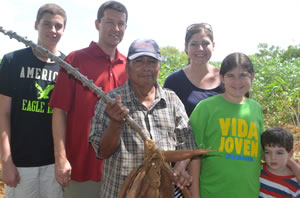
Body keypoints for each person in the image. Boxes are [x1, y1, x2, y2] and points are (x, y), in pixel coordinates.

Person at [88, 39, 198, 198]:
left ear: (159, 67)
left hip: (163, 191)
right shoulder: (110, 102)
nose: (146, 68)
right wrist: (115, 124)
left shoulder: (172, 100)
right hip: (120, 192)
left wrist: (180, 168)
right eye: (139, 61)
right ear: (127, 67)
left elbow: (187, 142)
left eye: (152, 62)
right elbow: (103, 151)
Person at [49, 1, 128, 198]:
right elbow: (59, 111)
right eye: (110, 22)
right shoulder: (75, 61)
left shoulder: (129, 67)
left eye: (121, 24)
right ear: (97, 24)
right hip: (80, 168)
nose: (116, 28)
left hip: (118, 171)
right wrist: (60, 158)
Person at [0, 3, 66, 198]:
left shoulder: (68, 68)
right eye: (47, 24)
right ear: (36, 24)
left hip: (53, 164)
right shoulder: (13, 61)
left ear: (64, 29)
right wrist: (6, 160)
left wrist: (62, 160)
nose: (52, 30)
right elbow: (2, 113)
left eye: (58, 26)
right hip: (20, 162)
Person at [188, 52, 264, 198]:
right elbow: (193, 156)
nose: (237, 81)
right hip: (212, 193)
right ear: (222, 78)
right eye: (230, 76)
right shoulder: (205, 107)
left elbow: (262, 154)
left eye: (243, 75)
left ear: (252, 77)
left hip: (250, 193)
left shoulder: (256, 109)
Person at [163, 23, 223, 117]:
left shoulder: (226, 78)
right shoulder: (173, 82)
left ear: (213, 45)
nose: (200, 48)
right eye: (194, 44)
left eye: (205, 43)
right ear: (186, 47)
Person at [259, 127, 300, 197]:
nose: (273, 157)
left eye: (279, 153)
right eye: (267, 152)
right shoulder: (258, 170)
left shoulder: (295, 185)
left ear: (290, 154)